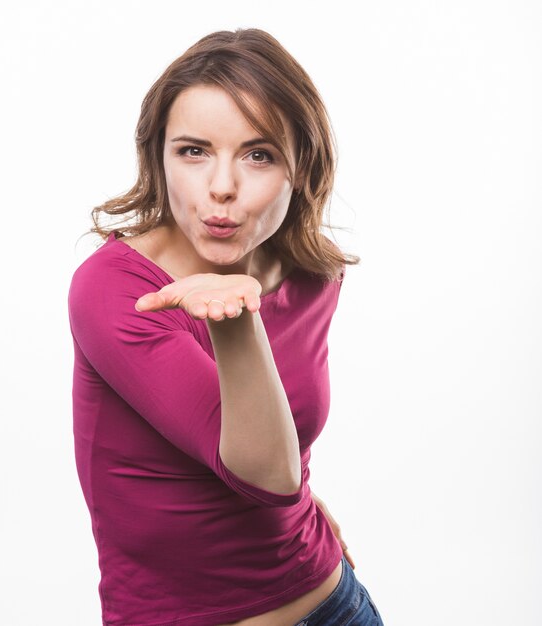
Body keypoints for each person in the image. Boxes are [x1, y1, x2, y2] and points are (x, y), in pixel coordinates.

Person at [68, 28, 384, 626]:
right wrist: (235, 315)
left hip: (333, 604)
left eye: (258, 154)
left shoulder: (313, 275)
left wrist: (301, 506)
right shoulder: (117, 289)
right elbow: (262, 472)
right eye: (193, 151)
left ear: (302, 165)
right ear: (157, 156)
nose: (221, 186)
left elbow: (281, 449)